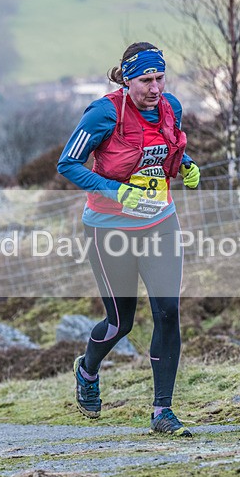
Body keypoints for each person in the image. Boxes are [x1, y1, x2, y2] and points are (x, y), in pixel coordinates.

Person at [57, 42, 200, 436]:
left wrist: (186, 165)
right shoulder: (105, 113)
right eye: (144, 80)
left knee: (168, 314)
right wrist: (115, 190)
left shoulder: (171, 106)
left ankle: (162, 412)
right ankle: (87, 369)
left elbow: (163, 149)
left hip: (160, 222)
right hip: (110, 228)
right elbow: (67, 163)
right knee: (121, 323)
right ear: (127, 78)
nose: (154, 88)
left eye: (159, 78)